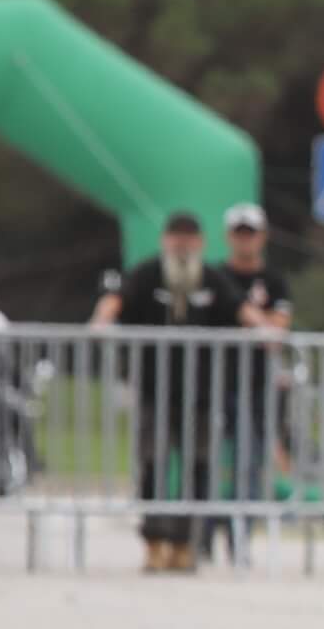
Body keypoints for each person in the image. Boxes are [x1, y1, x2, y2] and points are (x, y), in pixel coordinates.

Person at [90, 211, 254, 572]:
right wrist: (101, 321)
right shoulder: (148, 272)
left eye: (190, 237)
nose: (183, 243)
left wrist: (268, 330)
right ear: (165, 239)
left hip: (201, 393)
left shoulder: (212, 278)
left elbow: (242, 310)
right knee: (153, 464)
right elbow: (117, 299)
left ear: (201, 241)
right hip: (153, 390)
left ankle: (185, 542)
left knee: (199, 467)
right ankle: (154, 539)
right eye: (176, 236)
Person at [211, 203, 293, 562]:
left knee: (251, 459)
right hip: (212, 381)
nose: (245, 241)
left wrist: (246, 317)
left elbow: (277, 331)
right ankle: (204, 533)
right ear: (229, 237)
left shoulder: (274, 281)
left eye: (251, 233)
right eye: (239, 233)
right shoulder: (214, 275)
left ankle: (239, 535)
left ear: (262, 237)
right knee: (208, 460)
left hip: (258, 382)